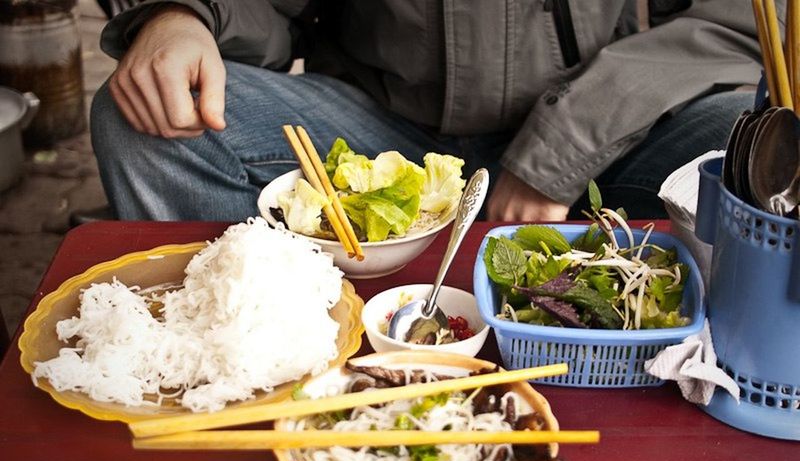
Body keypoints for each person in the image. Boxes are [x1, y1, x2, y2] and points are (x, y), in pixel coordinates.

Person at [91, 0, 765, 222]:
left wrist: (563, 148)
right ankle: (245, 359)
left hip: (617, 141)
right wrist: (183, 14)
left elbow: (741, 21)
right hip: (378, 138)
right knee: (147, 121)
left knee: (763, 144)